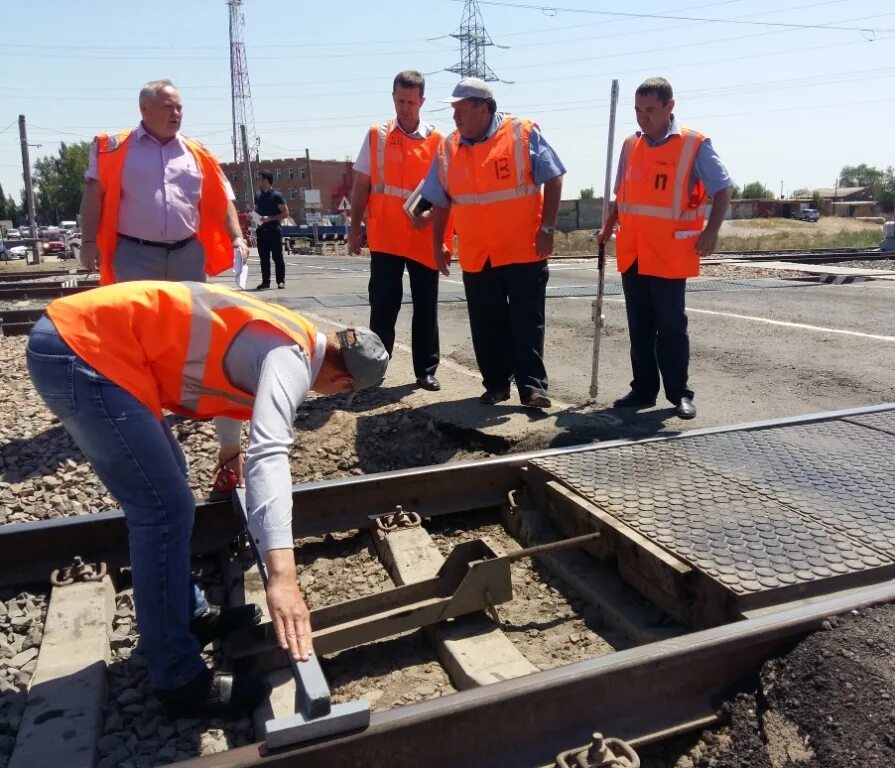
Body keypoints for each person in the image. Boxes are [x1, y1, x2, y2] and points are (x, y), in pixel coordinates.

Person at [25, 281, 389, 719]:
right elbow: (270, 454)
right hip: (84, 352)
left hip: (89, 342)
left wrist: (227, 450)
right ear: (343, 382)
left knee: (170, 482)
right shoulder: (290, 360)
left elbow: (231, 373)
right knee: (162, 511)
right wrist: (282, 577)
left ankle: (188, 613)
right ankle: (177, 678)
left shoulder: (291, 332)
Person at [421, 77, 566, 408]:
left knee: (526, 322)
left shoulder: (521, 133)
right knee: (487, 325)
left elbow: (554, 176)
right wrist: (439, 243)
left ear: (483, 109)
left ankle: (532, 387)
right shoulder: (448, 147)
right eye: (453, 112)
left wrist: (548, 227)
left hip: (523, 250)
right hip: (477, 254)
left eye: (461, 111)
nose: (455, 118)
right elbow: (439, 201)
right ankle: (497, 385)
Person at [598, 77, 733, 421]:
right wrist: (609, 224)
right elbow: (622, 196)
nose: (643, 117)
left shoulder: (694, 144)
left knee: (671, 326)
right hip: (634, 251)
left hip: (670, 254)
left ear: (670, 106)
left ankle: (679, 394)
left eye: (650, 110)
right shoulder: (631, 144)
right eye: (638, 110)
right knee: (639, 326)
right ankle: (643, 388)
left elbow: (723, 188)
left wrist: (712, 230)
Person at [77, 79, 248, 286]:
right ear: (144, 109)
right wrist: (88, 242)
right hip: (135, 255)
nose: (175, 113)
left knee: (187, 316)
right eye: (168, 107)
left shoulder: (198, 152)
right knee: (142, 317)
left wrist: (237, 238)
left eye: (179, 108)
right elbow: (93, 196)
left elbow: (222, 199)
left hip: (188, 255)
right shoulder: (113, 148)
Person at [349, 71, 452, 392]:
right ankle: (375, 367)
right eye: (399, 101)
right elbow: (361, 185)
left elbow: (444, 188)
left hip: (422, 239)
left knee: (426, 306)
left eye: (410, 102)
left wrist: (423, 212)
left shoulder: (438, 141)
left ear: (422, 101)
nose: (404, 108)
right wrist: (354, 228)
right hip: (386, 238)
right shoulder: (376, 136)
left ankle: (425, 370)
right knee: (383, 304)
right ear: (392, 98)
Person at [253, 171, 289, 290]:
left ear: (266, 181)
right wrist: (252, 216)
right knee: (264, 258)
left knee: (277, 257)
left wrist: (270, 218)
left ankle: (281, 281)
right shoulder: (258, 196)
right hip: (262, 231)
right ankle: (265, 281)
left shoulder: (277, 196)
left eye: (260, 179)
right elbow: (257, 212)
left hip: (274, 230)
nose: (259, 182)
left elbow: (285, 213)